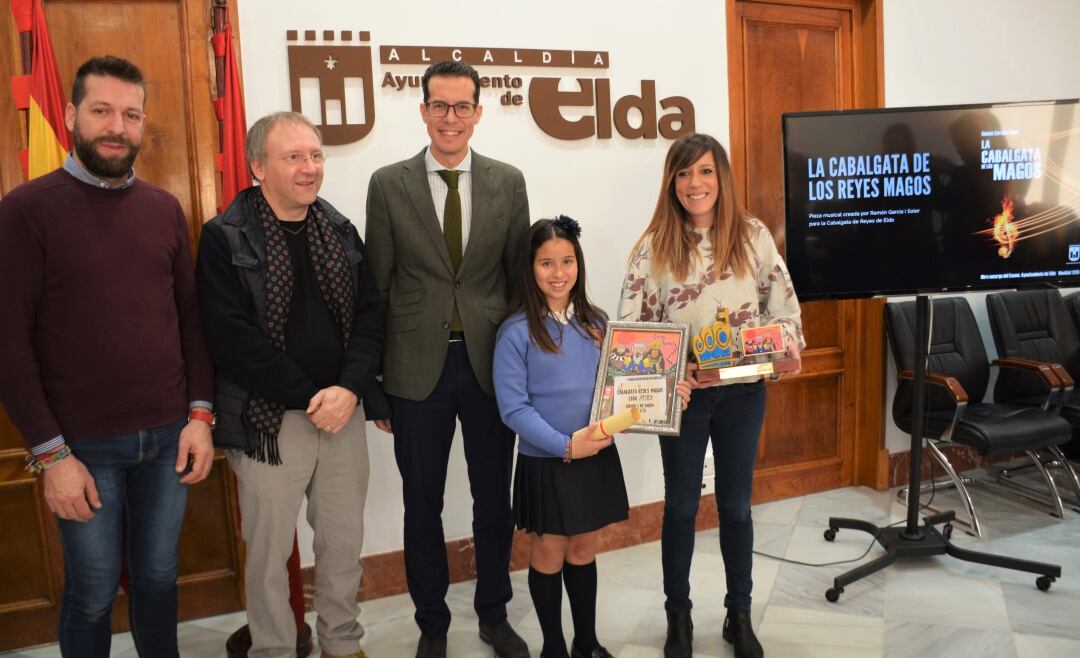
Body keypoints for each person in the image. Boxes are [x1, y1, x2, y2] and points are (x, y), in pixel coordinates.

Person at [0, 56, 214, 657]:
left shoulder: (164, 209)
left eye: (130, 114)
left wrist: (200, 416)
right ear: (71, 115)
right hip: (81, 449)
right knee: (93, 592)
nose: (116, 126)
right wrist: (52, 456)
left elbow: (192, 321)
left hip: (168, 439)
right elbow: (9, 344)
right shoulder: (26, 211)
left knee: (157, 580)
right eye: (101, 111)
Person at [196, 111, 388, 658]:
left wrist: (349, 389)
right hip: (268, 422)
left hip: (342, 413)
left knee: (343, 546)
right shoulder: (224, 237)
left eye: (316, 155)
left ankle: (342, 644)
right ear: (258, 167)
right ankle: (275, 650)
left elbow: (370, 316)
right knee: (268, 555)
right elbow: (231, 338)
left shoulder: (340, 229)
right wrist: (310, 397)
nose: (309, 168)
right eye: (294, 157)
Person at [365, 60, 530, 658]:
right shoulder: (388, 183)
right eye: (440, 105)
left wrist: (526, 370)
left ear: (480, 112)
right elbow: (377, 289)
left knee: (493, 501)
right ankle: (431, 626)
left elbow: (518, 282)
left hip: (491, 369)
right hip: (414, 371)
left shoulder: (508, 182)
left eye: (463, 106)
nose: (451, 117)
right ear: (423, 110)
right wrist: (377, 386)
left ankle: (493, 613)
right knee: (422, 507)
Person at [618, 133, 804, 658]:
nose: (694, 184)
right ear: (671, 183)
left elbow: (785, 313)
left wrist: (781, 349)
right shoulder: (652, 246)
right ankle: (679, 618)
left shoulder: (752, 237)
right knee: (679, 508)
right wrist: (669, 376)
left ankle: (738, 614)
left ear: (721, 177)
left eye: (704, 172)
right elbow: (634, 336)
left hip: (743, 396)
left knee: (737, 508)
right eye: (683, 174)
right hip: (685, 399)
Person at [494, 217, 692, 658]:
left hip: (596, 453)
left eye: (567, 261)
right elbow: (513, 409)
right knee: (549, 551)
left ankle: (586, 642)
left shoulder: (599, 323)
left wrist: (667, 390)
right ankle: (554, 648)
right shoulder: (515, 332)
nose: (558, 272)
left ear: (578, 265)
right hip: (546, 458)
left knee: (583, 547)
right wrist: (565, 444)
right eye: (546, 263)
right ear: (530, 268)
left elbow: (627, 385)